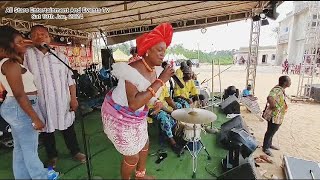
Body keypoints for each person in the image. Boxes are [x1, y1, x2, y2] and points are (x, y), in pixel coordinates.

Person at [101, 23, 174, 179]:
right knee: (132, 157)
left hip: (137, 116)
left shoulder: (156, 70)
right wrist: (161, 81)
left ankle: (140, 175)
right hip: (119, 117)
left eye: (164, 51)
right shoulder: (131, 70)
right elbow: (134, 104)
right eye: (159, 50)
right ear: (147, 51)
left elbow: (149, 95)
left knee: (145, 144)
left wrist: (157, 103)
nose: (163, 55)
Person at [0, 25, 58, 179]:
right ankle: (40, 177)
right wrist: (35, 118)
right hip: (21, 107)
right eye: (19, 42)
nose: (23, 44)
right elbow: (19, 94)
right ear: (8, 45)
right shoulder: (10, 64)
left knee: (20, 148)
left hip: (17, 107)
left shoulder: (9, 62)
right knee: (29, 149)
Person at [24, 25, 86, 168]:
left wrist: (74, 98)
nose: (40, 37)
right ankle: (52, 156)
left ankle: (75, 151)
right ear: (31, 39)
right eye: (36, 35)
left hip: (61, 101)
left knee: (68, 128)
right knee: (46, 132)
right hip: (41, 103)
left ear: (49, 37)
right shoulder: (26, 56)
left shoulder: (60, 56)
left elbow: (70, 80)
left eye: (43, 34)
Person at [262, 75, 291, 157]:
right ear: (285, 82)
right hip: (274, 116)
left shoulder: (280, 89)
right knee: (270, 131)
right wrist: (273, 105)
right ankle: (265, 148)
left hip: (278, 116)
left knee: (272, 131)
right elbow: (270, 97)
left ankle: (269, 144)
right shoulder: (277, 90)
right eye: (289, 81)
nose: (290, 82)